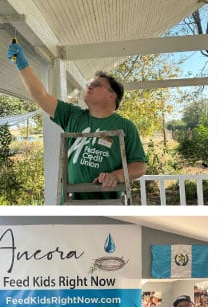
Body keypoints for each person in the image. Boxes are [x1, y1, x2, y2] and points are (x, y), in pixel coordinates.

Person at [9, 42, 146, 200]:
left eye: (97, 85)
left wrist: (117, 176)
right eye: (90, 84)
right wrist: (21, 64)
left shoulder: (125, 126)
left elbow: (140, 166)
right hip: (71, 203)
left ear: (111, 95)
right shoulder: (73, 115)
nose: (89, 87)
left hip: (109, 205)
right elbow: (42, 97)